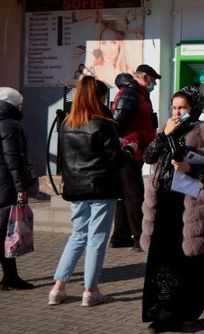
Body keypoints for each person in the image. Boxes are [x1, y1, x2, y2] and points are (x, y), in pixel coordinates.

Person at [141, 86, 204, 332]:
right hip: (163, 203)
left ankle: (189, 312)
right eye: (174, 107)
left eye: (182, 108)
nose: (177, 112)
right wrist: (163, 135)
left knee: (189, 262)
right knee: (162, 262)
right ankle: (161, 313)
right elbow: (148, 157)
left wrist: (191, 169)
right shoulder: (164, 130)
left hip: (191, 204)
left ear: (194, 108)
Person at [48, 76, 138, 307]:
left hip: (76, 187)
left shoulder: (67, 124)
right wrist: (129, 150)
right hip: (101, 186)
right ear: (97, 97)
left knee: (77, 236)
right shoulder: (102, 124)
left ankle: (58, 287)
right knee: (97, 238)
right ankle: (90, 289)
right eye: (103, 96)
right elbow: (116, 160)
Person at [0, 87, 36, 290]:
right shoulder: (9, 125)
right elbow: (14, 160)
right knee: (6, 231)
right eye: (20, 103)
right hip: (5, 183)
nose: (22, 107)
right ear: (12, 104)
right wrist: (21, 187)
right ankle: (10, 276)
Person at [109, 64, 161, 252]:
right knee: (134, 193)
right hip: (129, 149)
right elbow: (117, 121)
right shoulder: (131, 94)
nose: (154, 84)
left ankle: (121, 235)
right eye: (153, 80)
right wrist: (126, 143)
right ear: (145, 77)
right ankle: (139, 237)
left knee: (126, 193)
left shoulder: (137, 93)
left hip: (134, 147)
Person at [91, 20, 131, 85]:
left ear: (120, 44)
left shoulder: (128, 72)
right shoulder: (91, 72)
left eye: (113, 43)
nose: (108, 50)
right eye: (103, 43)